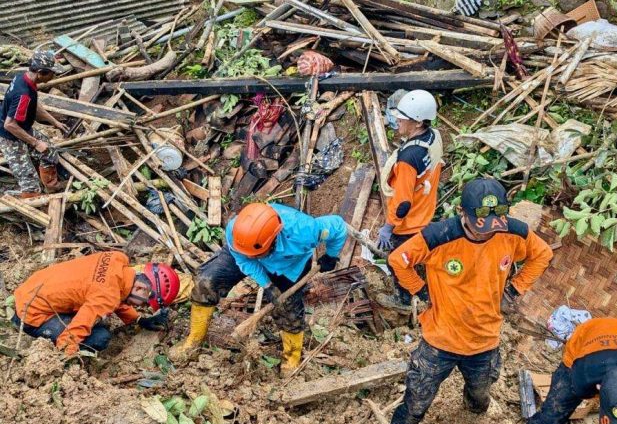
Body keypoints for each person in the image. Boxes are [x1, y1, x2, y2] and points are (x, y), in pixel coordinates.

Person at [387, 178, 553, 424]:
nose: (486, 234)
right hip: (440, 340)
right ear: (462, 213)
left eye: (492, 227)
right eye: (480, 228)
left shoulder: (512, 233)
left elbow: (542, 254)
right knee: (417, 397)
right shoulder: (439, 236)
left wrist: (513, 290)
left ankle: (471, 419)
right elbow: (398, 260)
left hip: (484, 341)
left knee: (480, 395)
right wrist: (422, 291)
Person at [172, 202, 347, 375]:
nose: (252, 257)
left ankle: (291, 358)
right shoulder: (237, 232)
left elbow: (339, 226)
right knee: (206, 282)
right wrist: (267, 284)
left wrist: (331, 255)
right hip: (243, 250)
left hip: (289, 267)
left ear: (274, 239)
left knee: (288, 309)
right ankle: (194, 341)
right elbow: (245, 259)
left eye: (258, 253)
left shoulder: (305, 230)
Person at [13, 252, 180, 356]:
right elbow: (75, 331)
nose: (140, 307)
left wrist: (137, 319)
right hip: (31, 314)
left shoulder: (116, 260)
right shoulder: (106, 296)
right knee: (100, 337)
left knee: (99, 316)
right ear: (139, 287)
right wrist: (65, 358)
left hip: (30, 291)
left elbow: (115, 293)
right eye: (143, 304)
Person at [377, 89, 444, 309]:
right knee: (416, 253)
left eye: (401, 117)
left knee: (396, 261)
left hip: (409, 221)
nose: (396, 119)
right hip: (425, 208)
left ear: (416, 122)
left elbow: (403, 203)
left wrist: (388, 227)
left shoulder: (408, 158)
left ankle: (407, 299)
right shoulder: (433, 136)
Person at [0, 50, 68, 197]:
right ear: (41, 73)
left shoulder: (24, 79)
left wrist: (54, 122)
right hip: (9, 136)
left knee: (49, 151)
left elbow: (34, 105)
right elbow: (9, 125)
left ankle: (51, 186)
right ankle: (33, 205)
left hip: (22, 128)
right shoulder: (22, 93)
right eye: (52, 73)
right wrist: (35, 143)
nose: (53, 76)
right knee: (30, 183)